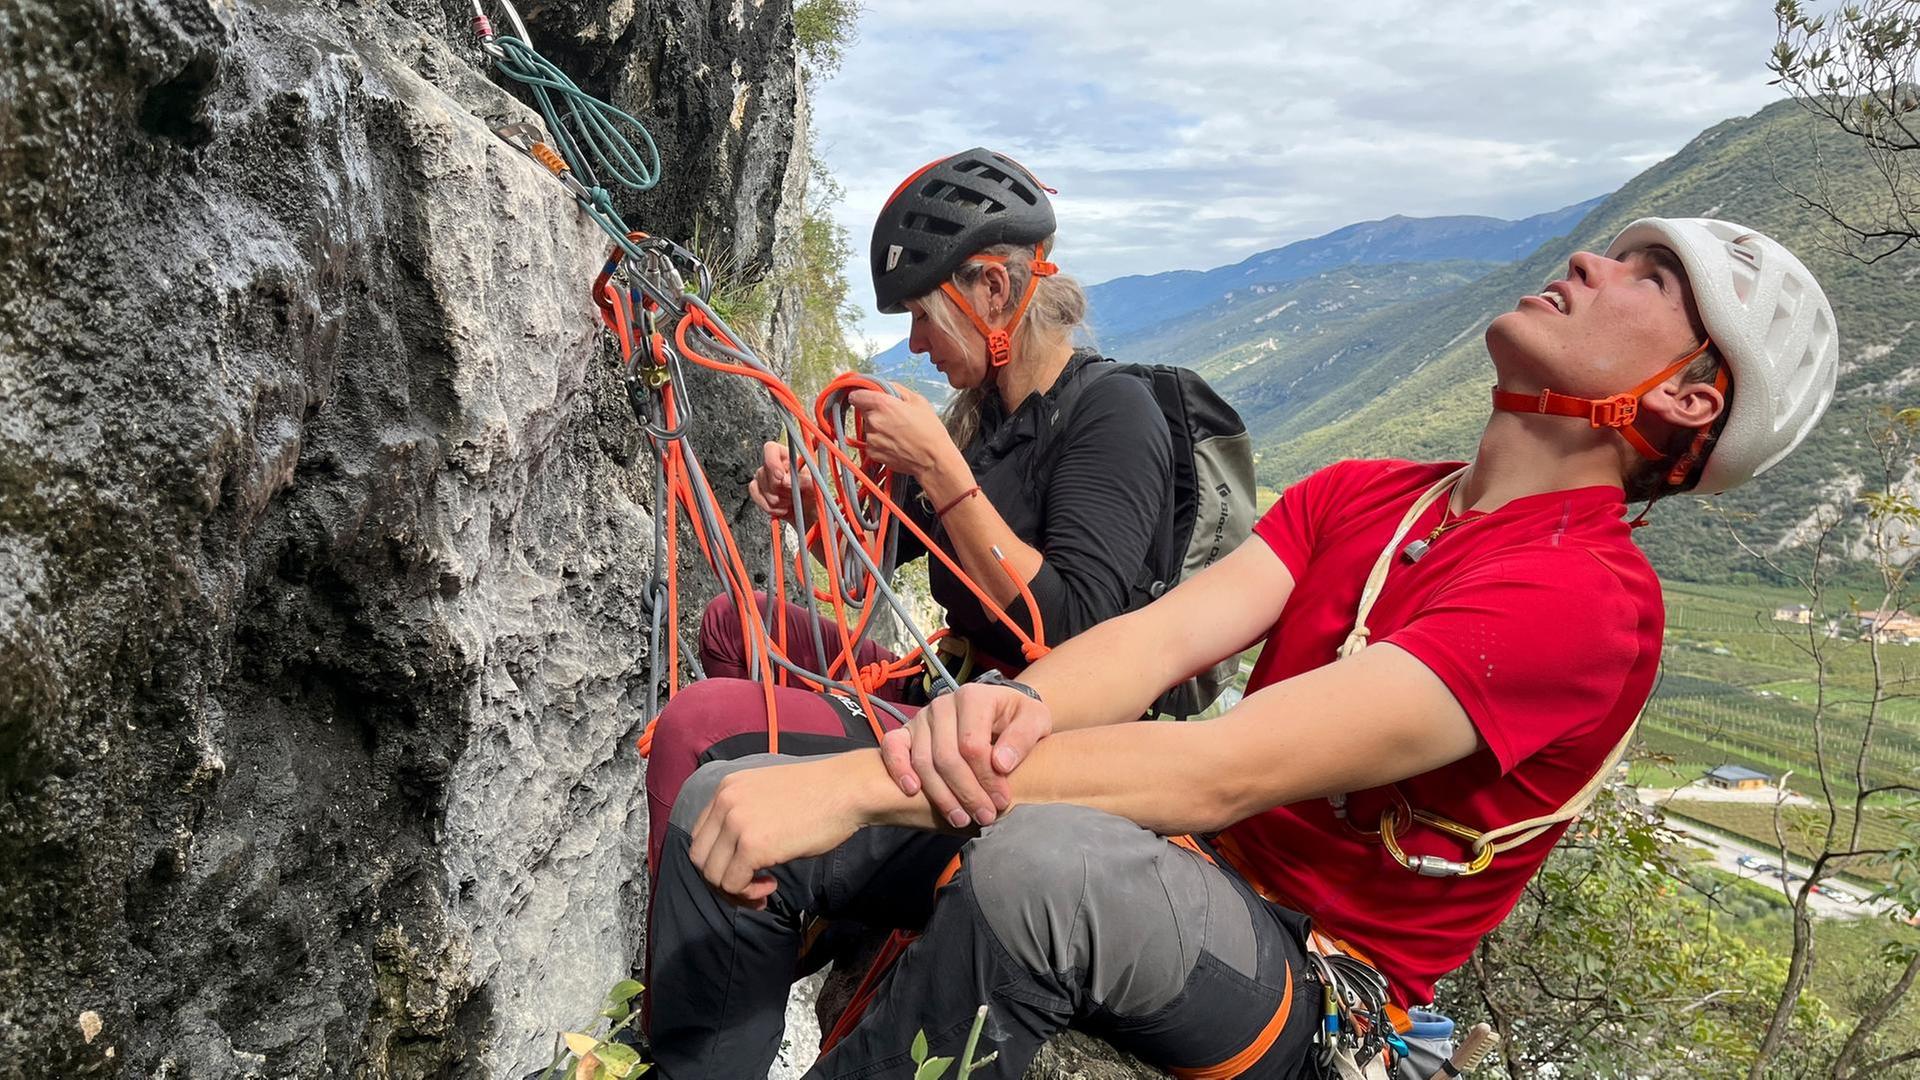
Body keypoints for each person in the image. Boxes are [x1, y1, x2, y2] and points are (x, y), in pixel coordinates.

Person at [645, 217, 1839, 1079]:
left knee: (1038, 865)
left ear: (1688, 398)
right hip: (1181, 867)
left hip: (1311, 973)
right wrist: (1010, 710)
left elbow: (1230, 766)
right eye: (1614, 248)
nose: (1592, 260)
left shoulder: (1584, 600)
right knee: (733, 787)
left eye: (1652, 279)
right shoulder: (1369, 494)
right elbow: (1156, 641)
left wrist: (863, 782)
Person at [640, 148, 1178, 880]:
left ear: (992, 287)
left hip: (1011, 739)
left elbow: (1074, 630)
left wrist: (939, 467)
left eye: (923, 316)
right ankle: (803, 878)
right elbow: (878, 562)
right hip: (943, 689)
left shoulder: (1114, 414)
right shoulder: (982, 417)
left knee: (694, 726)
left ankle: (704, 954)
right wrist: (807, 507)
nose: (917, 345)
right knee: (732, 624)